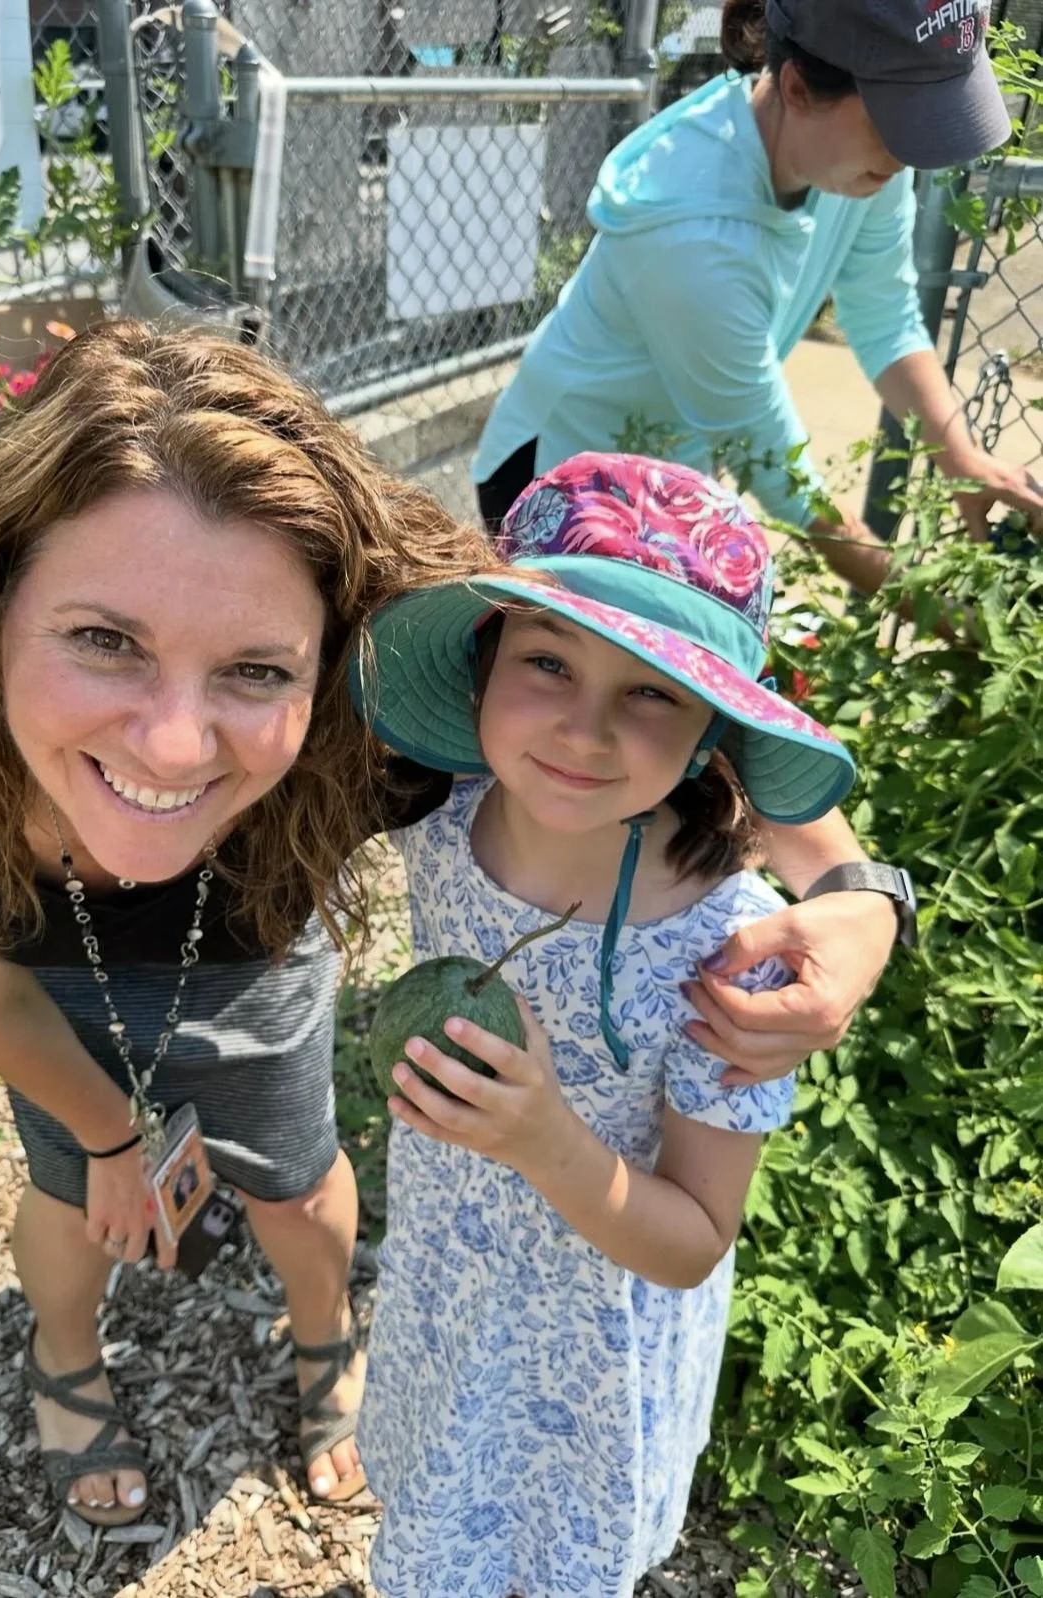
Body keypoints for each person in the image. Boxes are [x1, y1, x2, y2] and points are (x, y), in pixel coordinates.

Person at [0, 323, 901, 1530]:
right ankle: (67, 1357)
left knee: (300, 1185)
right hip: (35, 972)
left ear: (341, 650)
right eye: (104, 640)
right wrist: (109, 1135)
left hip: (251, 945)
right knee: (65, 1187)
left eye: (257, 671)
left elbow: (676, 736)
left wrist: (861, 903)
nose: (171, 744)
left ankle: (328, 1345)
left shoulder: (391, 696)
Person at [350, 453, 867, 1597]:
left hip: (591, 1344)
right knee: (436, 1508)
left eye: (650, 691)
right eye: (547, 661)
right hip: (449, 1275)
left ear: (706, 735)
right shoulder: (443, 819)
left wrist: (547, 1139)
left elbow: (692, 1238)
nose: (584, 731)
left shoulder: (733, 952)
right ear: (482, 668)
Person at [473, 0, 1043, 589]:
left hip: (670, 467)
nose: (910, 155)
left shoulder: (860, 166)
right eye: (896, 123)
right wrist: (941, 611)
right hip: (562, 475)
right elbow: (782, 477)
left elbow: (885, 316)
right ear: (797, 87)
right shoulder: (692, 235)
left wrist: (962, 460)